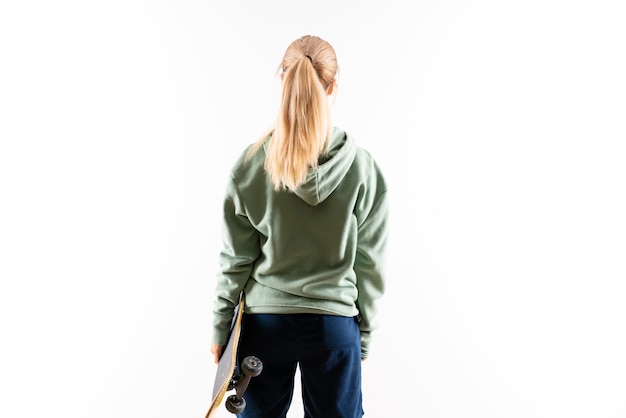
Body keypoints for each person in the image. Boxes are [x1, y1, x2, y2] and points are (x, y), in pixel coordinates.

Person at [210, 34, 388, 418]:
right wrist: (364, 335)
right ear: (333, 85)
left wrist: (220, 328)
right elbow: (370, 266)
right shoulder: (364, 169)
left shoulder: (250, 164)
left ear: (283, 80)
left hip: (264, 326)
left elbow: (235, 260)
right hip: (334, 327)